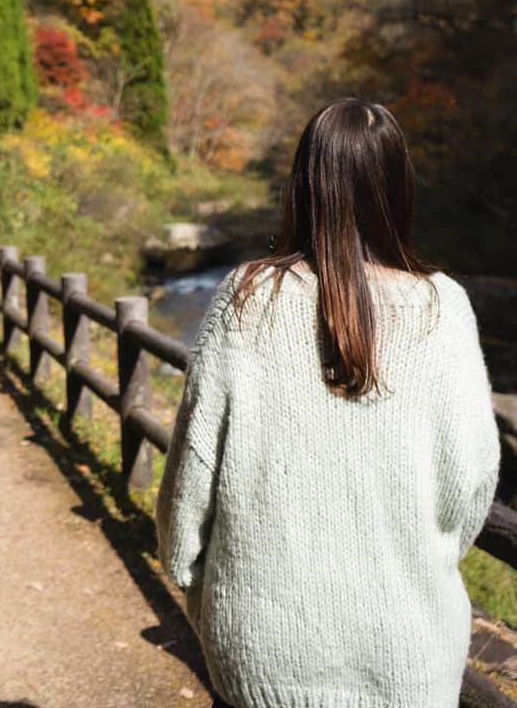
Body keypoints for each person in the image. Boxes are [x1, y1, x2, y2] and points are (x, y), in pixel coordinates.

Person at [156, 97, 499, 708]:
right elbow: (469, 482)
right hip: (409, 644)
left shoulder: (246, 297)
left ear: (303, 186)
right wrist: (423, 558)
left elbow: (192, 469)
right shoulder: (443, 307)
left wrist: (192, 575)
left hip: (261, 644)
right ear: (398, 188)